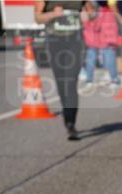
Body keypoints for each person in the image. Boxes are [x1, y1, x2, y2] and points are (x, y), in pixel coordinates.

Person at [34, 1, 90, 140]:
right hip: (55, 42)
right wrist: (53, 14)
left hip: (75, 42)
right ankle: (68, 115)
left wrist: (87, 15)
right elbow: (37, 18)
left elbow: (90, 11)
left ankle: (70, 123)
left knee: (71, 83)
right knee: (61, 84)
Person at [82, 0, 120, 86]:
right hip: (105, 19)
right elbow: (112, 4)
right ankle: (113, 79)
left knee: (94, 53)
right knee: (106, 52)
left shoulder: (90, 8)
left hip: (100, 22)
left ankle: (90, 79)